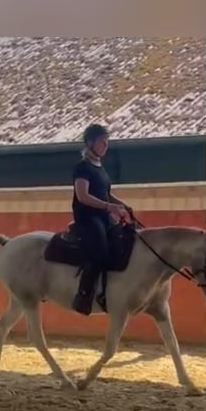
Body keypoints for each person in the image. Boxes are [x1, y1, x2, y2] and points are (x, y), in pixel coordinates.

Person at [70, 123, 131, 315]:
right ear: (90, 143)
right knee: (100, 250)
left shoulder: (100, 169)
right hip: (88, 218)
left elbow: (106, 195)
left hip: (103, 216)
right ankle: (84, 295)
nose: (105, 145)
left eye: (107, 142)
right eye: (101, 141)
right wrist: (109, 207)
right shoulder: (83, 168)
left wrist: (123, 205)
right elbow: (83, 196)